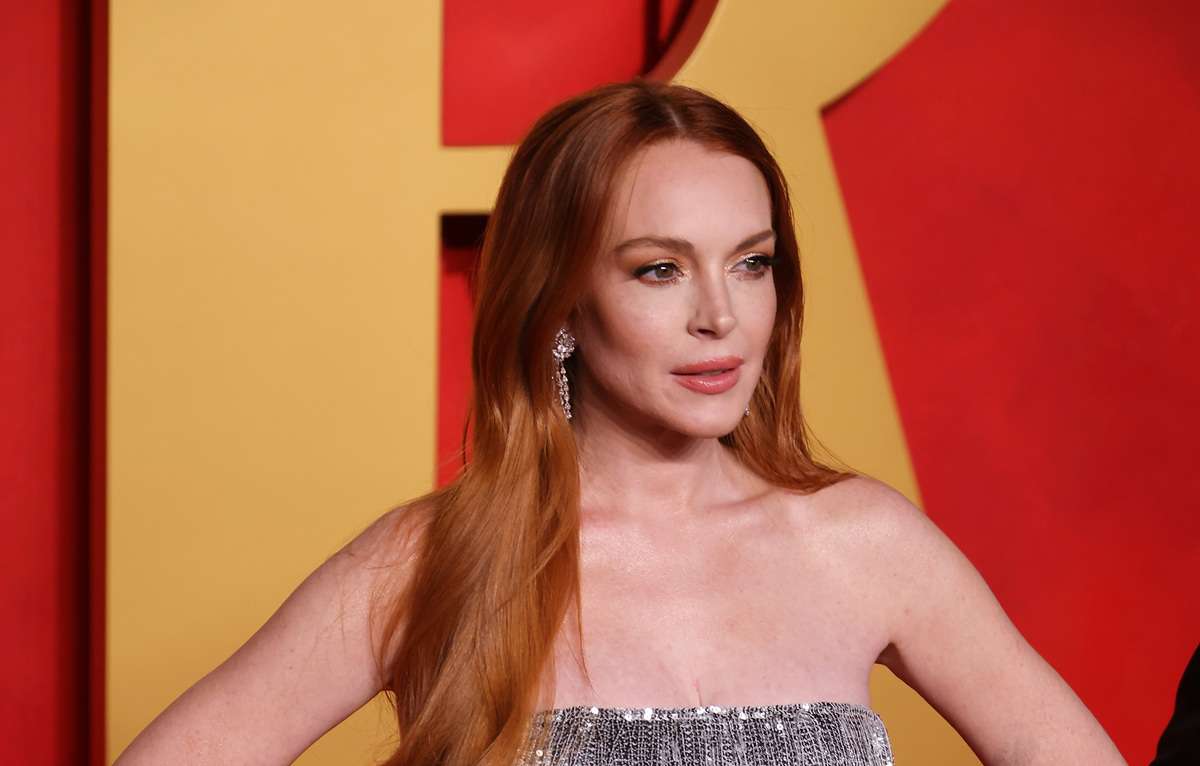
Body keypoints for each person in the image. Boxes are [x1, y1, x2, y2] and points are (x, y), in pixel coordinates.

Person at [114, 79, 1127, 766]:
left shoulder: (865, 544)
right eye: (658, 269)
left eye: (752, 262)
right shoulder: (435, 563)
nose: (720, 315)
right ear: (559, 301)